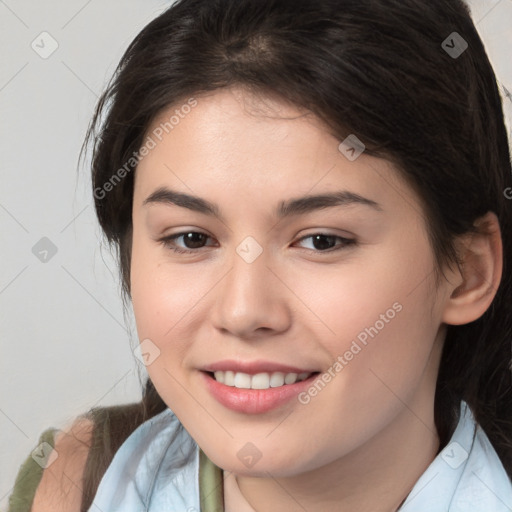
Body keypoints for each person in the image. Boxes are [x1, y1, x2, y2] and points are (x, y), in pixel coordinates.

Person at [8, 0, 512, 510]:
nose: (244, 312)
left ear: (468, 272)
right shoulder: (69, 484)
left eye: (321, 241)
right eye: (191, 239)